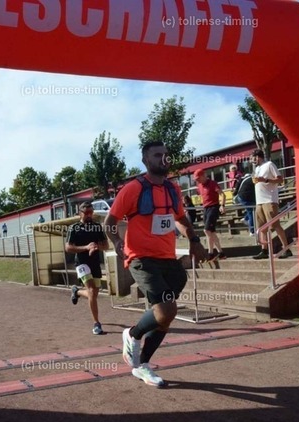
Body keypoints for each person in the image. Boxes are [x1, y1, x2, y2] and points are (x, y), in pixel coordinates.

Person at [104, 141, 206, 387]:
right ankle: (132, 334)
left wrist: (194, 240)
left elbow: (180, 218)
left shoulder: (173, 189)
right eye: (157, 155)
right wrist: (117, 242)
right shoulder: (133, 189)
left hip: (167, 259)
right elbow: (109, 222)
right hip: (141, 258)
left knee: (164, 316)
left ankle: (142, 365)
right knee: (167, 310)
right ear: (145, 160)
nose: (163, 159)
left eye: (165, 155)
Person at [65, 201, 109, 335]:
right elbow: (68, 247)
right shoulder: (74, 228)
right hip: (82, 263)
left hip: (95, 263)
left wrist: (96, 247)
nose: (89, 215)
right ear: (80, 213)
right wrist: (86, 247)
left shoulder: (97, 227)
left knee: (94, 294)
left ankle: (77, 292)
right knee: (91, 290)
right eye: (87, 213)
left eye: (91, 212)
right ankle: (96, 324)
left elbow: (106, 246)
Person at [250, 149, 292, 259]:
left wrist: (266, 180)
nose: (251, 160)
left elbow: (280, 179)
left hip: (269, 200)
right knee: (262, 227)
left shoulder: (269, 164)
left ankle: (286, 248)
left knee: (275, 225)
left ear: (257, 157)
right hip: (259, 201)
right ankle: (264, 250)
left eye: (252, 158)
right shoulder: (257, 169)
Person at [193, 169, 227, 260]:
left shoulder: (212, 183)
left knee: (207, 230)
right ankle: (220, 253)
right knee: (211, 232)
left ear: (204, 176)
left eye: (198, 178)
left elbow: (222, 194)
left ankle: (211, 253)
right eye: (196, 179)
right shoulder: (199, 186)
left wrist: (222, 205)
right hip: (206, 208)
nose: (197, 181)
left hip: (213, 207)